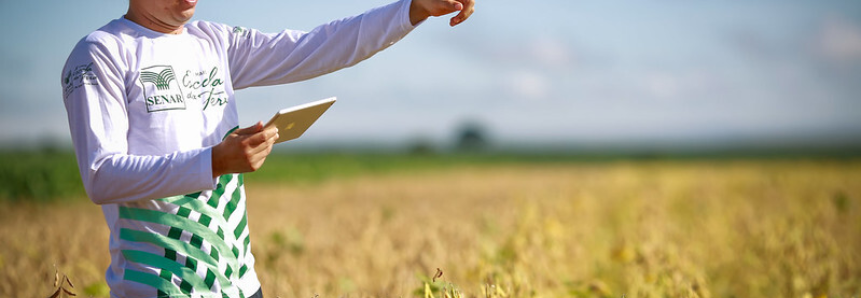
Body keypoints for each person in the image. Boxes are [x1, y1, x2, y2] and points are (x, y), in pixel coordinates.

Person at [60, 0, 475, 297]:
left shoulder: (214, 42)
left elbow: (319, 45)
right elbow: (101, 175)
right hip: (158, 285)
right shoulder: (101, 52)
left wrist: (411, 9)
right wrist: (215, 161)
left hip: (241, 283)